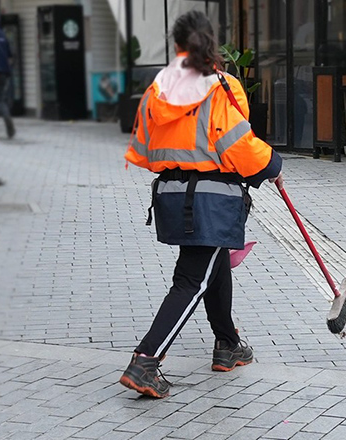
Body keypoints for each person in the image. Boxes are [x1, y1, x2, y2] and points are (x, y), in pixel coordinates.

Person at [120, 10, 282, 399]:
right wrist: (271, 166)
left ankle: (228, 344)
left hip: (172, 196)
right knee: (191, 280)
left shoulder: (158, 88)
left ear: (176, 44)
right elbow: (238, 144)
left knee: (214, 263)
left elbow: (144, 149)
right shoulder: (220, 86)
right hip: (213, 199)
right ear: (211, 41)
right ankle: (145, 362)